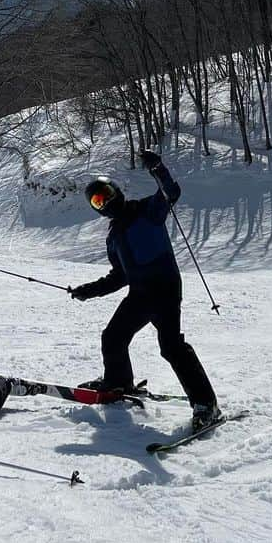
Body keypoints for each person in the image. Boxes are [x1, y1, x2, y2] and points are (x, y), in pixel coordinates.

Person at [72, 150, 221, 431]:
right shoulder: (114, 237)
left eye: (105, 194)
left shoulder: (146, 210)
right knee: (113, 337)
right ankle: (118, 383)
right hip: (139, 295)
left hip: (164, 290)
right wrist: (88, 291)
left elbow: (171, 192)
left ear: (116, 191)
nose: (104, 202)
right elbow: (119, 277)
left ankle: (206, 405)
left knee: (172, 347)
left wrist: (158, 168)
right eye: (97, 201)